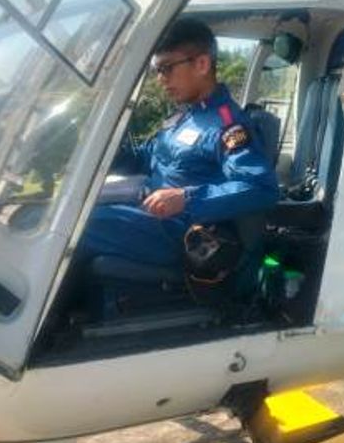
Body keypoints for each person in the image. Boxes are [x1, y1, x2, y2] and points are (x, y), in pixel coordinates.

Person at [75, 17, 279, 277]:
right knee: (70, 207)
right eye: (157, 70)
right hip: (147, 208)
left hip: (180, 230)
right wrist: (109, 155)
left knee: (74, 228)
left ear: (202, 64)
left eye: (167, 68)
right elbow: (151, 155)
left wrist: (186, 198)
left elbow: (261, 189)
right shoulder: (183, 116)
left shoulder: (229, 126)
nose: (161, 79)